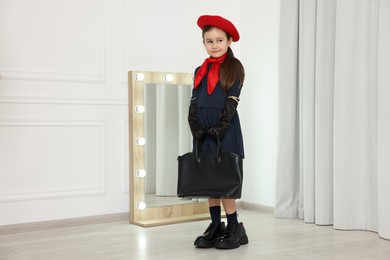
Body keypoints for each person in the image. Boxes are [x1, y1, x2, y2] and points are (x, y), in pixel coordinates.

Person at [188, 14, 248, 250]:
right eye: (209, 41)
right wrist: (196, 127)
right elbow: (194, 101)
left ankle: (235, 227)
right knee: (208, 178)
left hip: (225, 127)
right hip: (203, 128)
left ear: (229, 41)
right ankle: (216, 225)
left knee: (224, 179)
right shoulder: (199, 70)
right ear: (204, 43)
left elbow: (232, 102)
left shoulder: (235, 68)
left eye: (219, 40)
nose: (214, 45)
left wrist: (219, 129)